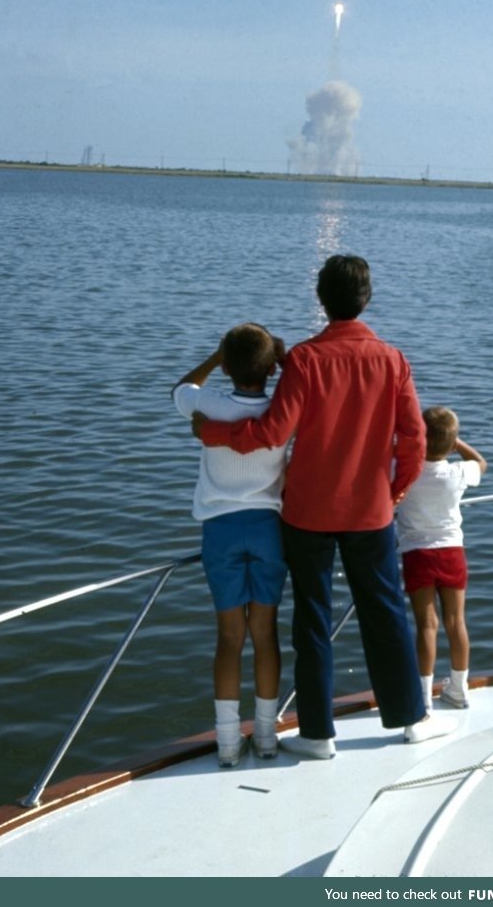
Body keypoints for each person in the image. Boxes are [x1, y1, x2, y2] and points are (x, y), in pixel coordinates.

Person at [194, 255, 458, 759]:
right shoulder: (393, 360)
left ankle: (317, 733)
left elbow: (272, 432)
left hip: (307, 514)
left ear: (322, 298)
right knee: (386, 615)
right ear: (367, 298)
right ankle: (410, 718)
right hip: (370, 513)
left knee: (312, 619)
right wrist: (395, 492)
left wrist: (212, 431)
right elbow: (415, 441)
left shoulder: (305, 361)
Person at [172, 323, 289, 767]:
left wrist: (214, 358)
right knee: (265, 635)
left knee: (228, 638)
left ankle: (226, 743)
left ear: (227, 364)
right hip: (267, 529)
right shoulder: (282, 408)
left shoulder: (208, 404)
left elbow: (180, 388)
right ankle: (265, 737)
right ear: (269, 368)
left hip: (219, 530)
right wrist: (279, 360)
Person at [395, 406, 487, 713]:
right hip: (451, 552)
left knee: (426, 625)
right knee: (455, 621)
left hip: (417, 553)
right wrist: (455, 443)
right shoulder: (457, 472)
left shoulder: (407, 471)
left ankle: (422, 696)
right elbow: (480, 464)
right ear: (450, 444)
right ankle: (459, 688)